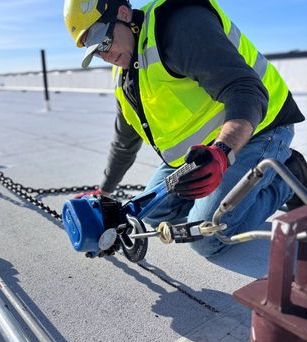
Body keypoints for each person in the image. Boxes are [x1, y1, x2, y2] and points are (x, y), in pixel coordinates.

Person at [64, 0, 306, 257]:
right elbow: (124, 141)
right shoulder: (123, 75)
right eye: (96, 52)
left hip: (257, 129)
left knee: (207, 238)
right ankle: (219, 190)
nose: (106, 55)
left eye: (104, 42)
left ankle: (286, 177)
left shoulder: (178, 26)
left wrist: (222, 153)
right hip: (199, 153)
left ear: (122, 13)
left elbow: (246, 91)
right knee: (155, 214)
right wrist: (104, 191)